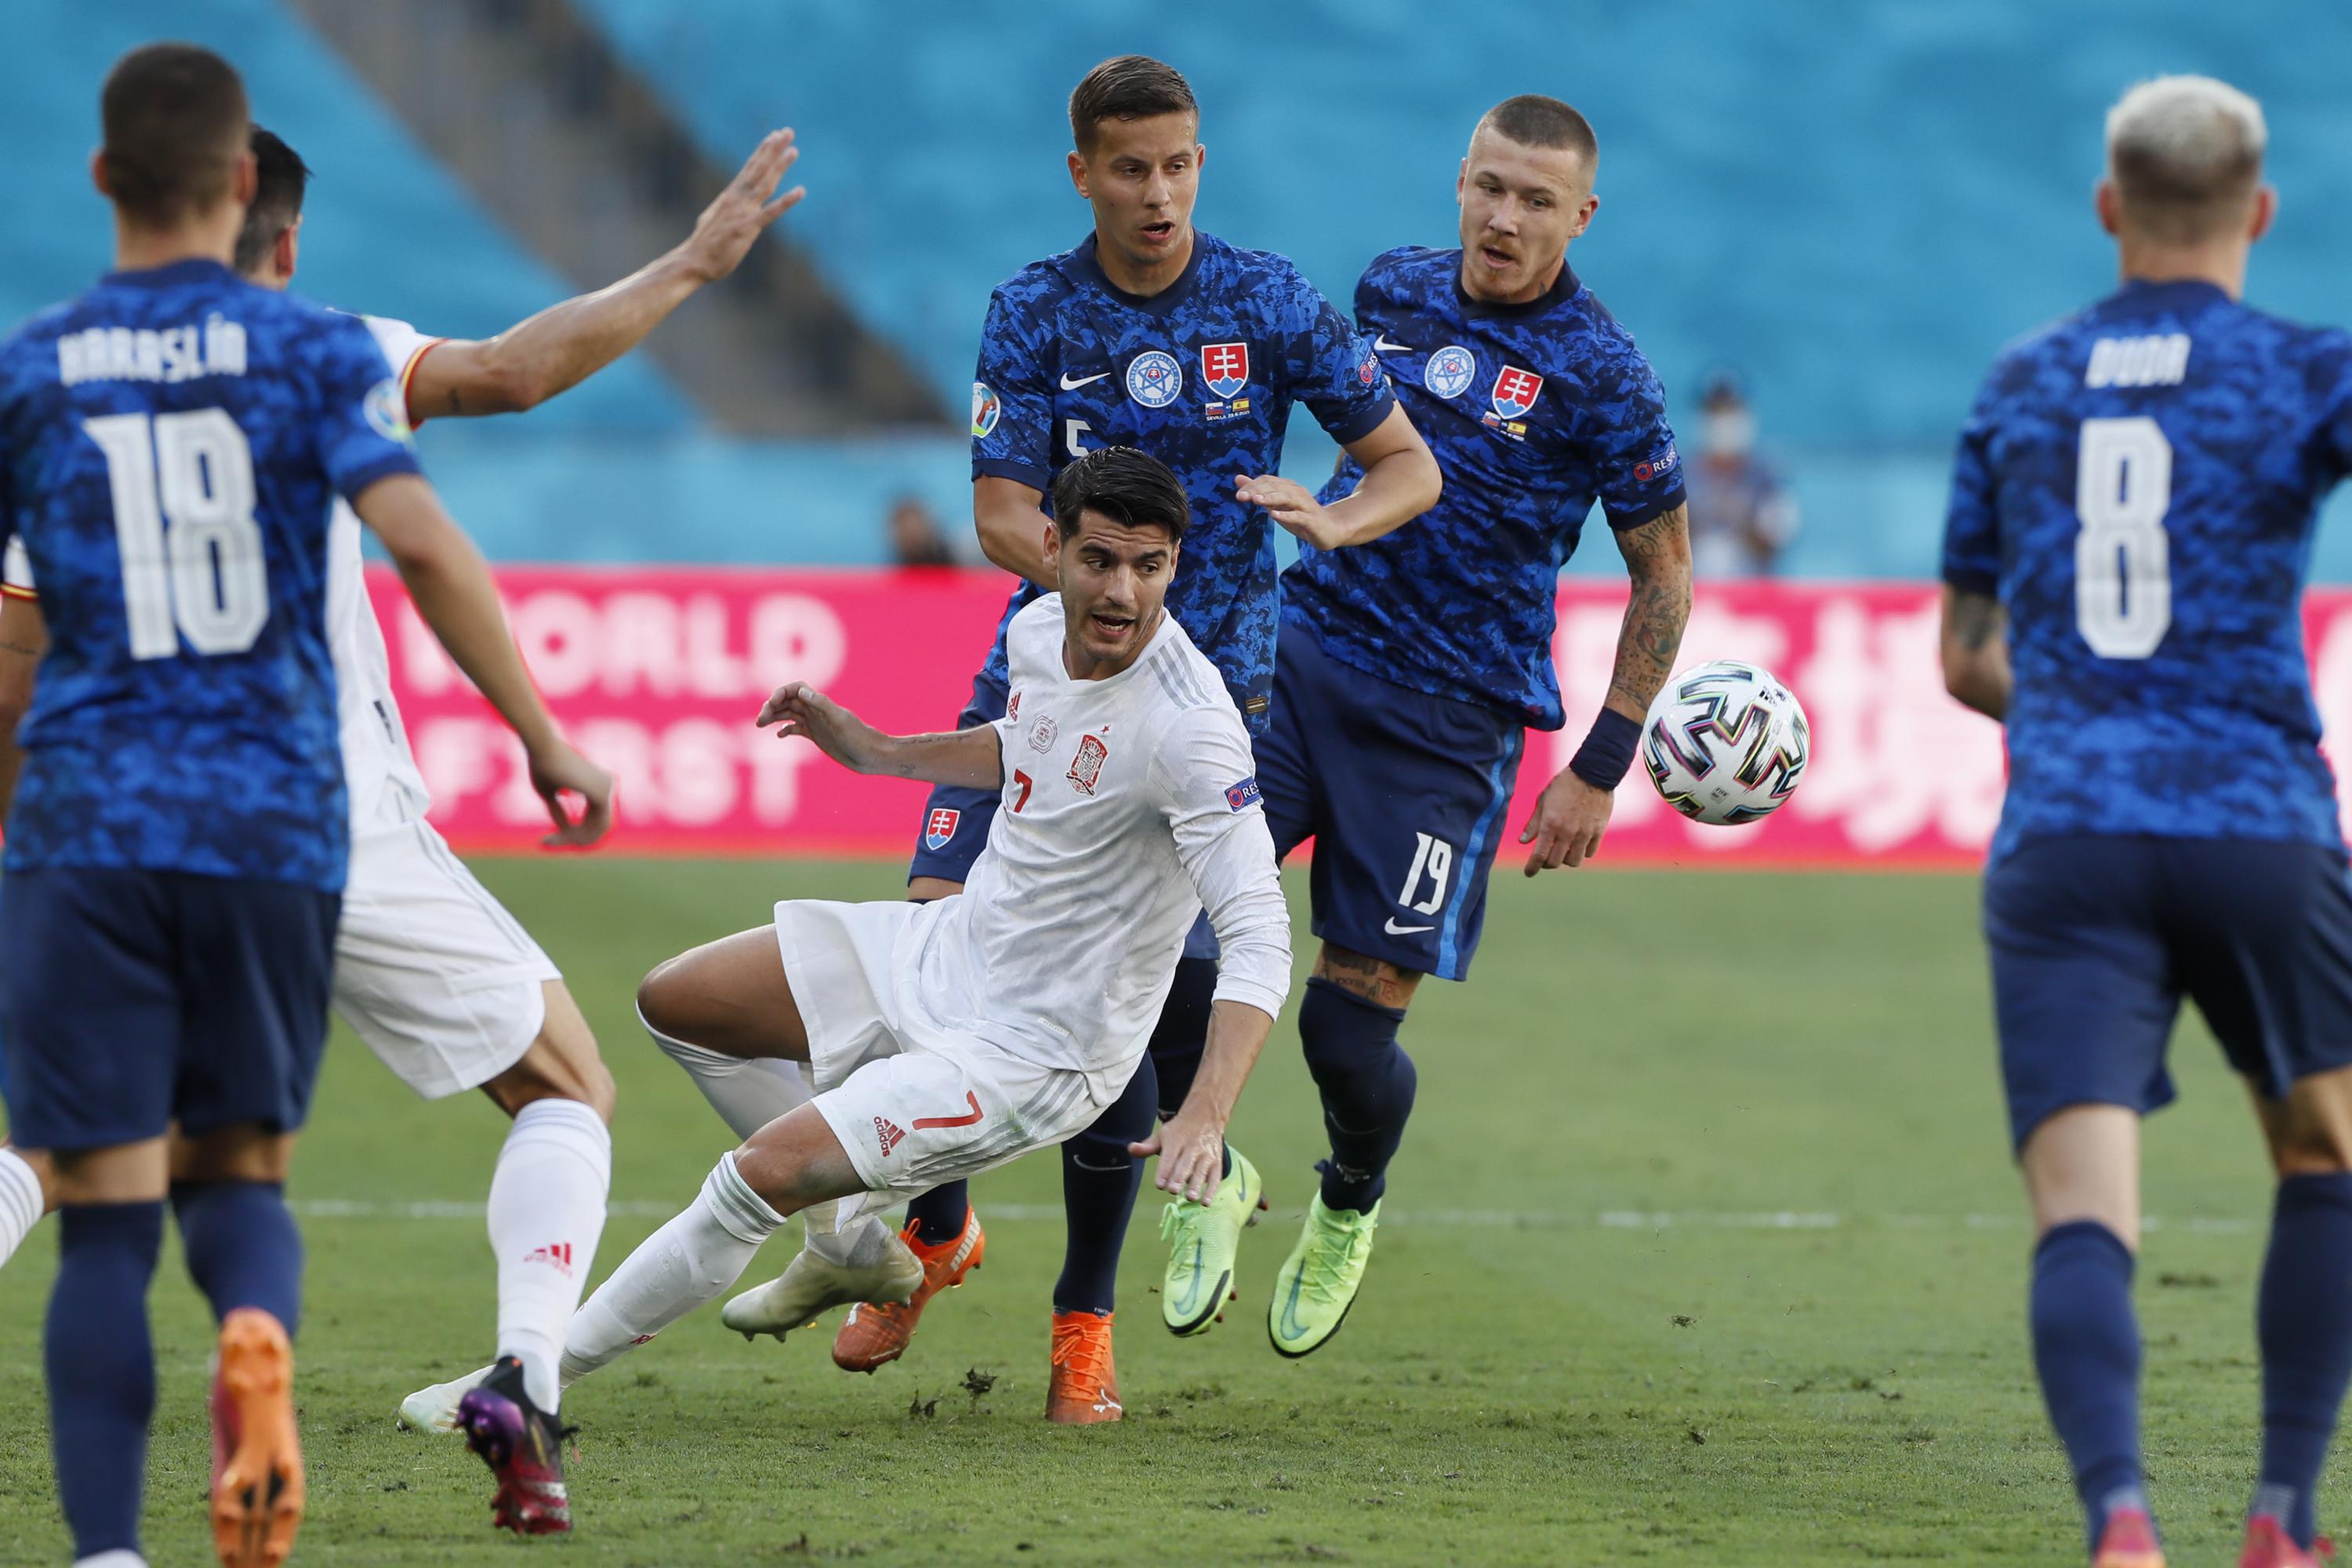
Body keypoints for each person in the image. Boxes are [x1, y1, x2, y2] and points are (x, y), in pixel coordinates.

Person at [0, 119, 801, 1535]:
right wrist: (688, 264)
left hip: (123, 823)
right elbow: (506, 385)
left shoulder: (53, 380)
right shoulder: (328, 350)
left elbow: (18, 643)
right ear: (286, 244)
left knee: (69, 1147)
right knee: (565, 1084)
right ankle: (527, 1375)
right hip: (322, 813)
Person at [630, 53, 1439, 1421]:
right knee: (935, 943)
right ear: (1083, 174)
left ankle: (1081, 1326)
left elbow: (1407, 463)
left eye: (1180, 164)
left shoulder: (1270, 300)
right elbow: (1001, 506)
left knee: (1114, 1033)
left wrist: (1332, 520)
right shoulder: (1036, 310)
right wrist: (1079, 571)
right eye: (1131, 168)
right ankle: (930, 1242)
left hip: (1194, 726)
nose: (1159, 193)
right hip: (1036, 696)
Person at [403, 445, 1293, 1422]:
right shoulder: (1042, 626)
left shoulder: (1193, 727)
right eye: (1099, 561)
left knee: (759, 1176)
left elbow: (1258, 933)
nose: (1122, 592)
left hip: (1035, 1051)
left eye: (1149, 566)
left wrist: (1206, 1112)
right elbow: (1030, 744)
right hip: (950, 950)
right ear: (1052, 545)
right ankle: (850, 1245)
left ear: (1175, 563)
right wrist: (875, 752)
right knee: (680, 1003)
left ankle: (521, 1387)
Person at [1940, 75, 2352, 1568]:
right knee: (2322, 1152)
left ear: (2111, 208)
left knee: (2080, 1209)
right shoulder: (2310, 369)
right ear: (2261, 211)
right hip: (2259, 815)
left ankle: (2121, 1520)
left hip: (2069, 830)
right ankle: (2283, 1518)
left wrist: (2080, 709)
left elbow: (1964, 658)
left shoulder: (2023, 380)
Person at [1682, 374, 1797, 578]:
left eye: (1731, 413)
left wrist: (1739, 537)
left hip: (1753, 595)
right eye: (1715, 414)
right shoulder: (1682, 475)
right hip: (1693, 592)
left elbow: (1777, 537)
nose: (1723, 423)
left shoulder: (1767, 476)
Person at [886, 493, 956, 567]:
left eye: (915, 529)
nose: (912, 536)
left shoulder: (951, 559)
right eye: (907, 532)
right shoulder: (895, 566)